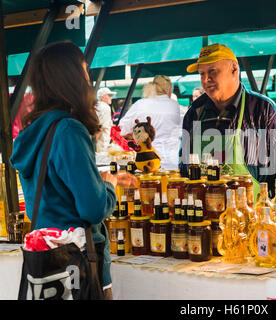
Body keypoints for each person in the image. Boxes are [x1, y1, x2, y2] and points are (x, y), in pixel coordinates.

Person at [9, 41, 138, 300]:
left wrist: (97, 179)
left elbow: (55, 190)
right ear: (72, 77)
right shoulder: (68, 129)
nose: (88, 78)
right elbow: (92, 208)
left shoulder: (34, 132)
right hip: (79, 263)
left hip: (46, 262)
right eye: (84, 70)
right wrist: (109, 185)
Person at [180, 43, 276, 198]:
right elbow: (184, 168)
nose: (206, 79)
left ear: (234, 69)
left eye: (212, 71)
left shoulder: (263, 110)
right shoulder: (195, 113)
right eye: (201, 74)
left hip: (253, 216)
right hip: (204, 217)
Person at [119, 76, 182, 170]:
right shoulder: (176, 106)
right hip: (174, 160)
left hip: (146, 160)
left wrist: (134, 134)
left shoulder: (140, 104)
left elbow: (122, 130)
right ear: (169, 90)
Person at [95, 87, 116, 152]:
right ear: (102, 97)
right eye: (109, 95)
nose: (111, 98)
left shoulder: (97, 106)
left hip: (98, 143)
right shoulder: (105, 107)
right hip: (102, 143)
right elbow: (101, 127)